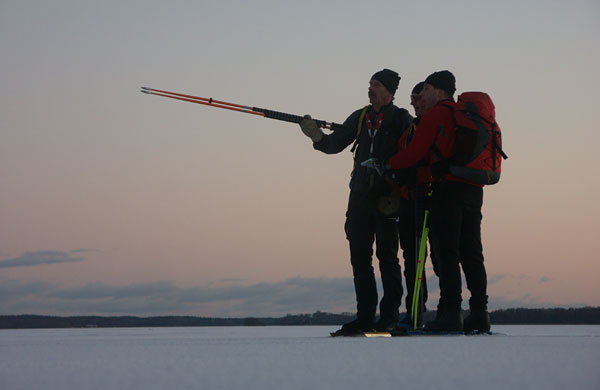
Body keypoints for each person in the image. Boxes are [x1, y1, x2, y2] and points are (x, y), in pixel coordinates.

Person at [299, 69, 413, 335]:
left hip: (388, 199)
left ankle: (388, 318)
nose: (370, 88)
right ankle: (364, 317)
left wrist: (393, 179)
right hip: (359, 197)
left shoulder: (401, 119)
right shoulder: (360, 116)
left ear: (389, 90)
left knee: (387, 258)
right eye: (370, 84)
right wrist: (315, 136)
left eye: (375, 84)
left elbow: (410, 157)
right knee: (359, 258)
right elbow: (334, 144)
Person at [387, 70, 491, 333]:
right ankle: (479, 313)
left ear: (439, 91)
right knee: (472, 252)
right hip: (473, 188)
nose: (421, 95)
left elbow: (414, 152)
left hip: (446, 190)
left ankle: (450, 313)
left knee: (447, 252)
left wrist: (390, 165)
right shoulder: (462, 114)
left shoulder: (438, 114)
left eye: (426, 89)